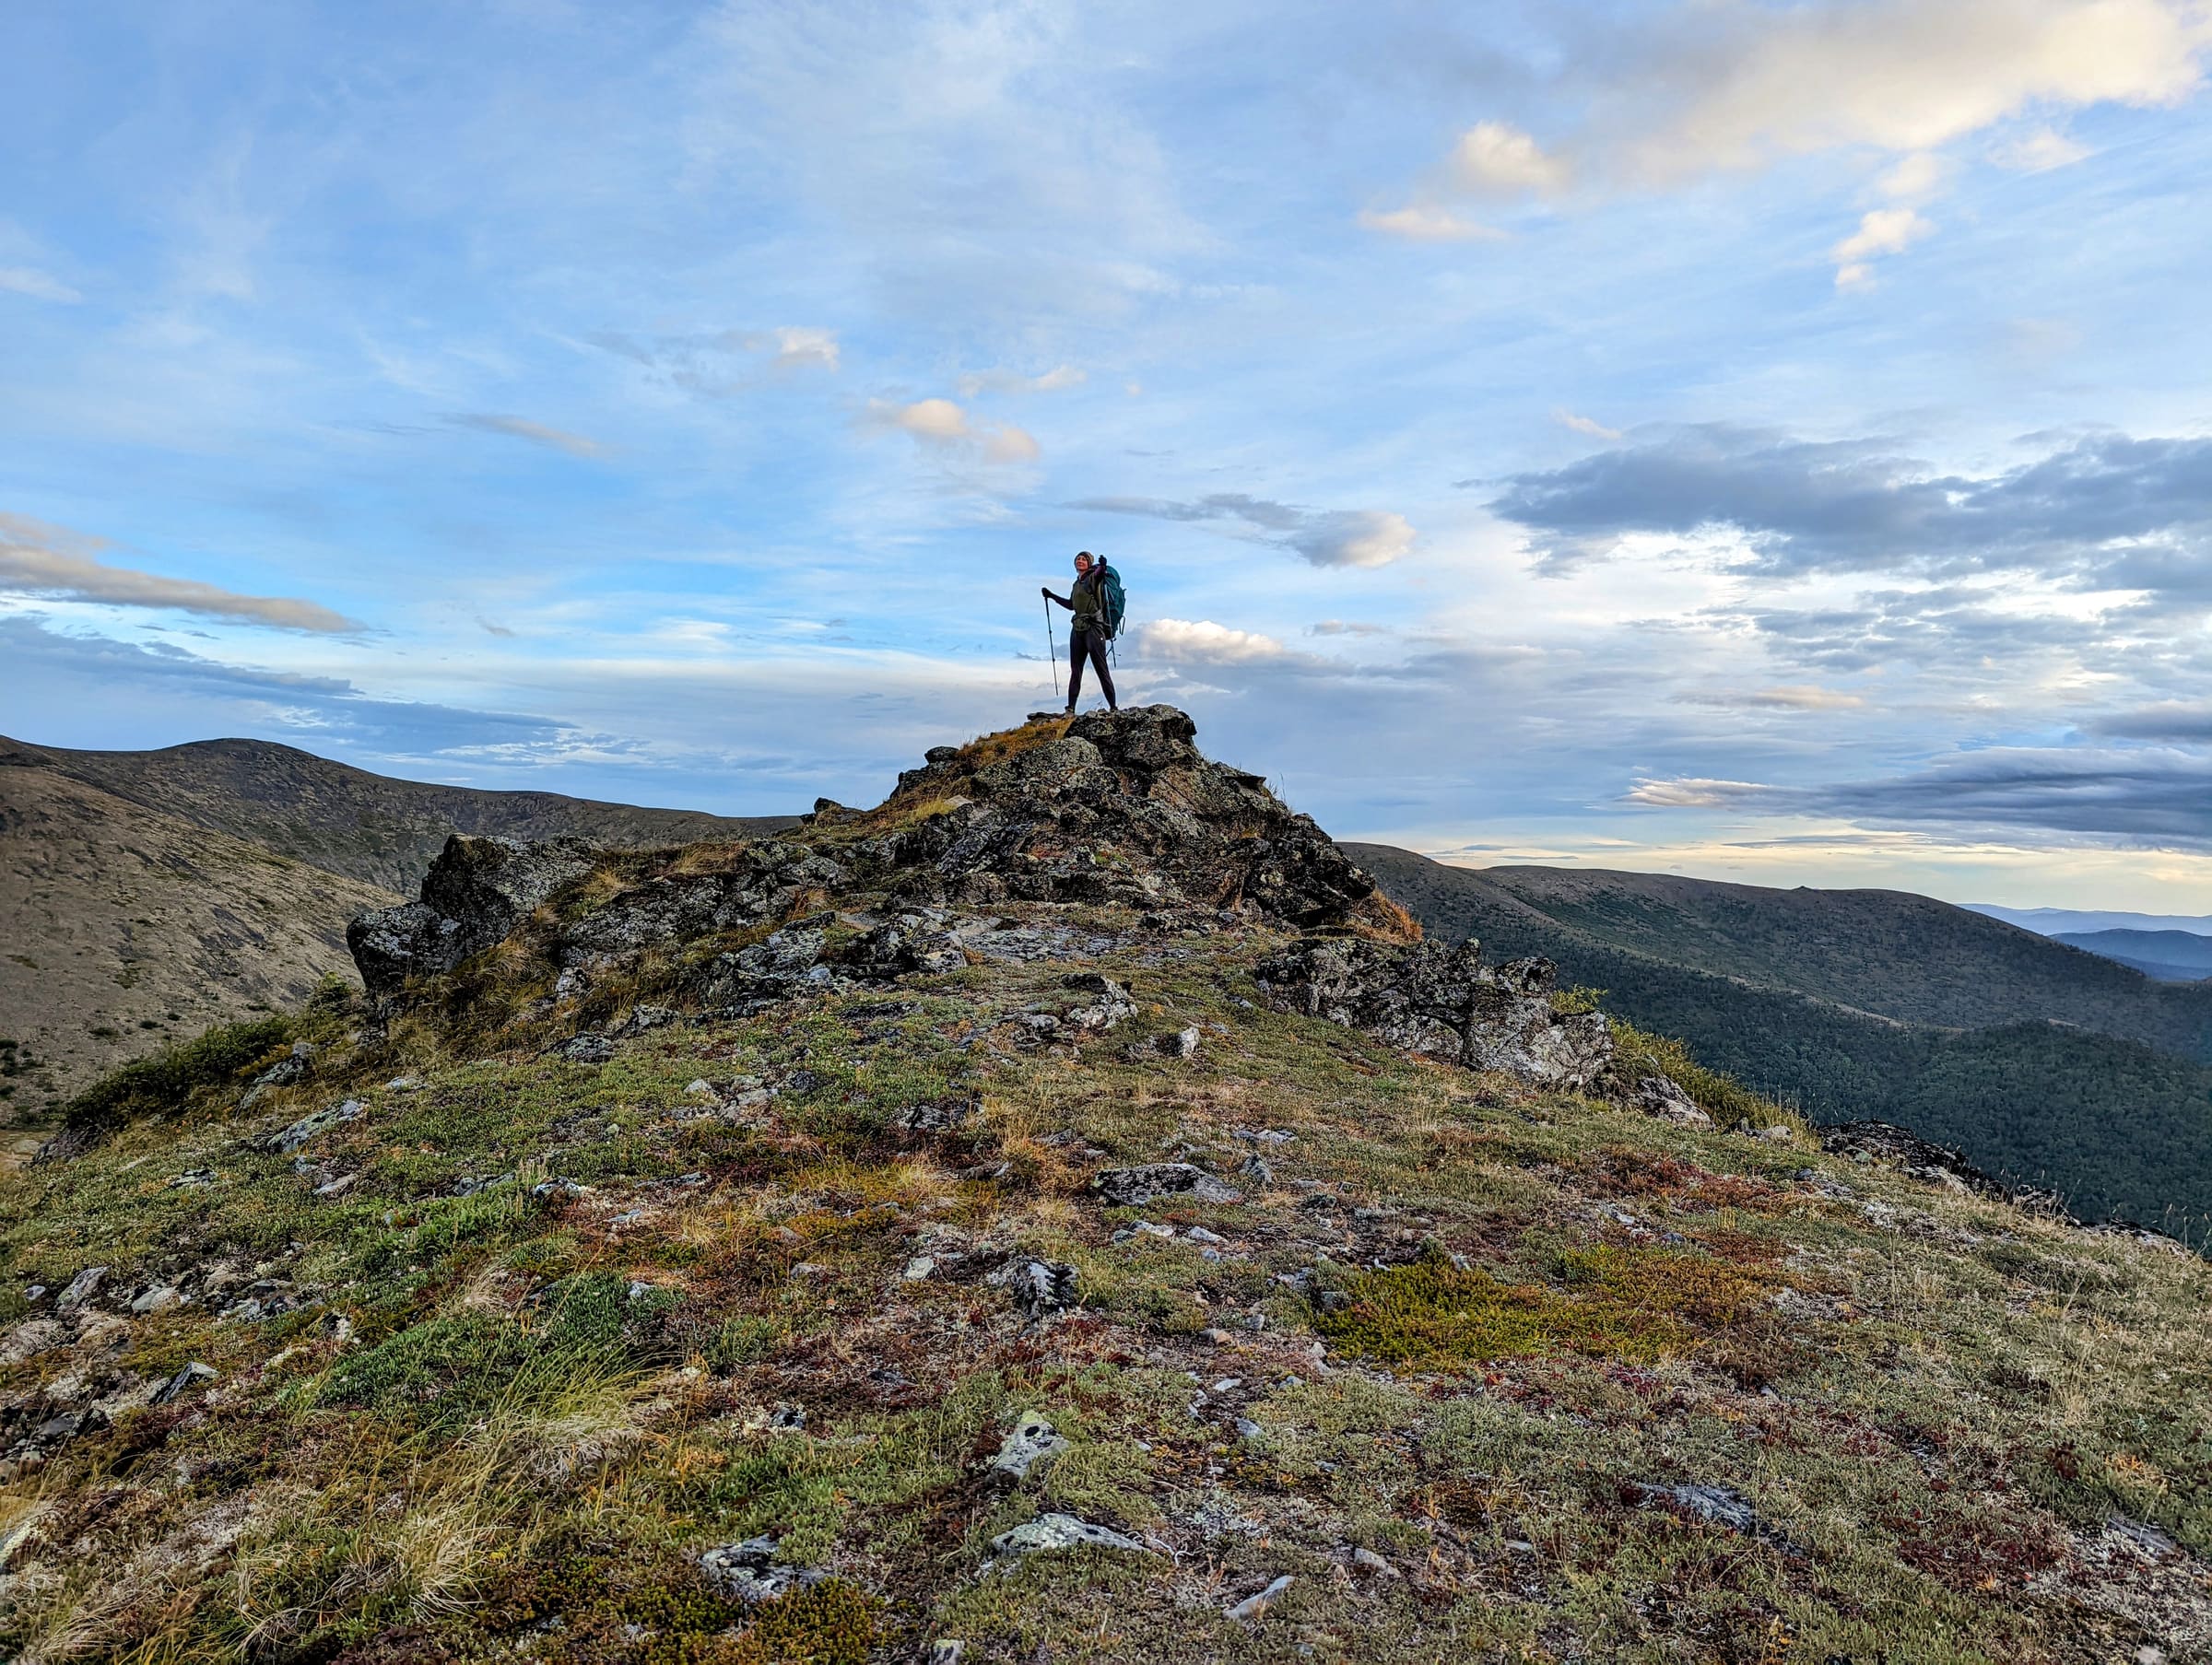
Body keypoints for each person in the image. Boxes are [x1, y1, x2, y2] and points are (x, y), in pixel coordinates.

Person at [1043, 549, 1118, 713]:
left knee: (1101, 668)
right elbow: (1071, 605)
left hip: (1094, 628)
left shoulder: (1093, 578)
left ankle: (1113, 707)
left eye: (1084, 559)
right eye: (1078, 559)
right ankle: (1070, 709)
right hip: (1077, 628)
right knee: (1076, 670)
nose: (1080, 561)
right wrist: (1051, 596)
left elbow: (1099, 575)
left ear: (1089, 563)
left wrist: (1103, 566)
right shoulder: (1076, 584)